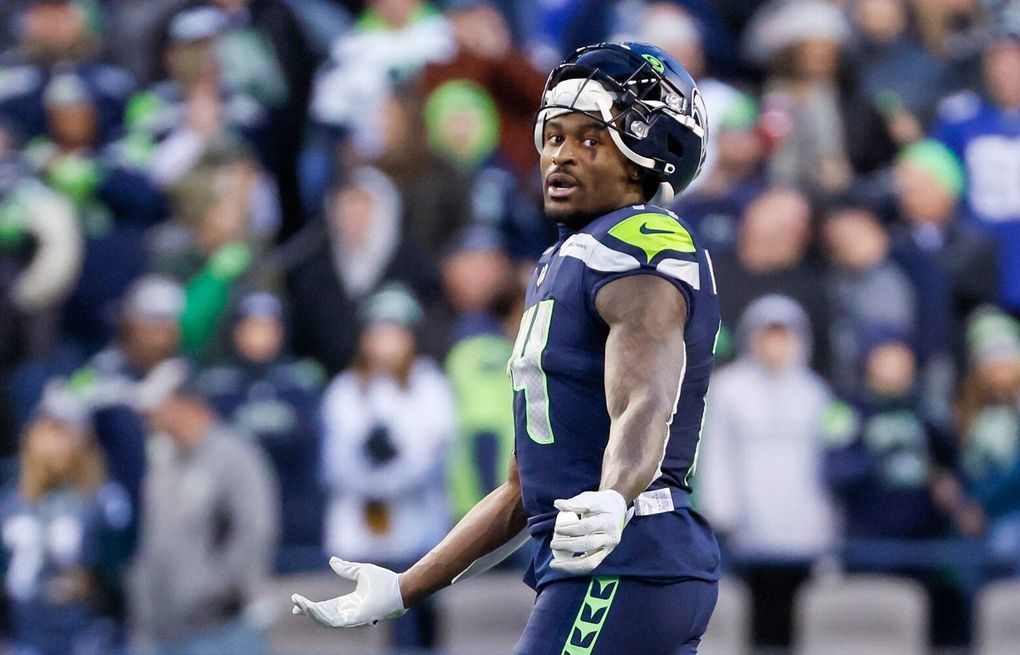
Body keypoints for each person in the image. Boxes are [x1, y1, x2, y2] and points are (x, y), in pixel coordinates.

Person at [292, 42, 720, 654]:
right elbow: (525, 489)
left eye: (590, 140)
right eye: (553, 137)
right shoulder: (565, 260)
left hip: (626, 557)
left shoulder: (639, 242)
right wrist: (405, 587)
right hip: (610, 561)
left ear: (644, 158)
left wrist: (614, 495)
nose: (560, 156)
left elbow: (644, 396)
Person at [319, 284, 456, 651]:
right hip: (358, 538)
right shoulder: (346, 389)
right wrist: (371, 478)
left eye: (396, 333)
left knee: (415, 633)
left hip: (417, 537)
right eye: (379, 332)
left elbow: (432, 459)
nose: (387, 342)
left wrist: (390, 478)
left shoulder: (430, 385)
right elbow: (334, 462)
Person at [697, 295, 836, 650]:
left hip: (804, 529)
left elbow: (827, 463)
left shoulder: (815, 393)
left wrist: (827, 519)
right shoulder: (729, 389)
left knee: (801, 622)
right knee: (751, 621)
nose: (776, 346)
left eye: (784, 336)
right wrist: (720, 513)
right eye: (768, 336)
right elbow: (716, 454)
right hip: (745, 530)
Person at [131, 377, 279, 655]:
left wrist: (214, 592)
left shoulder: (233, 455)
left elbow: (253, 531)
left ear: (187, 405)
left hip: (224, 628)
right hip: (166, 631)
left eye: (159, 407)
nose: (150, 418)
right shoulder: (164, 460)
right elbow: (154, 541)